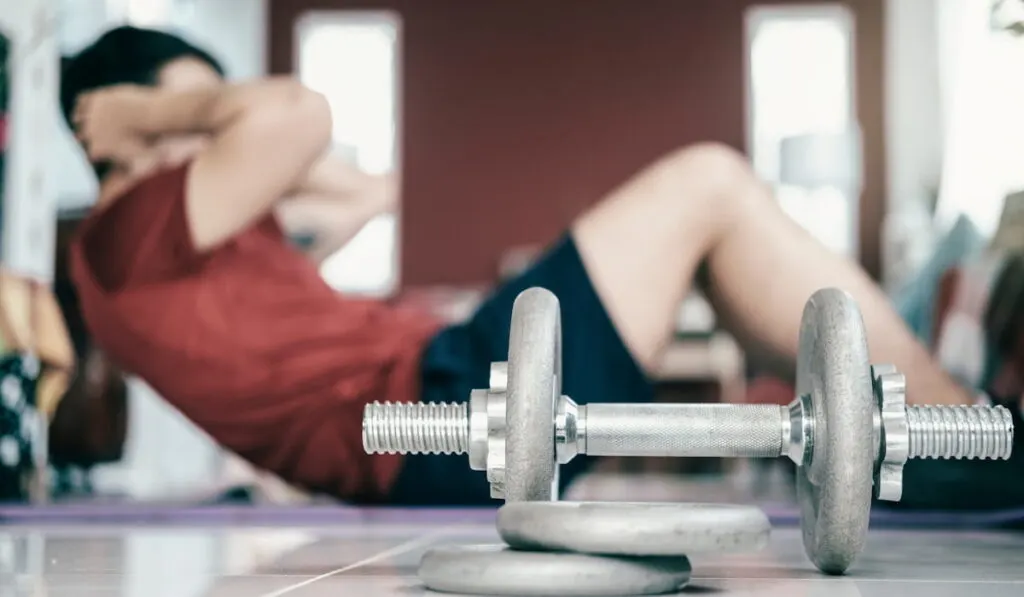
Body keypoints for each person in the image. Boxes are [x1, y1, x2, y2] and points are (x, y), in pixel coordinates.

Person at [60, 26, 990, 506]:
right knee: (706, 185)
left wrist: (197, 122)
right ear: (124, 122)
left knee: (707, 198)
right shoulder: (129, 230)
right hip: (436, 413)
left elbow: (367, 193)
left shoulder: (188, 245)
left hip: (446, 400)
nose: (208, 132)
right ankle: (968, 435)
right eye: (197, 112)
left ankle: (945, 431)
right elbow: (302, 115)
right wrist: (149, 120)